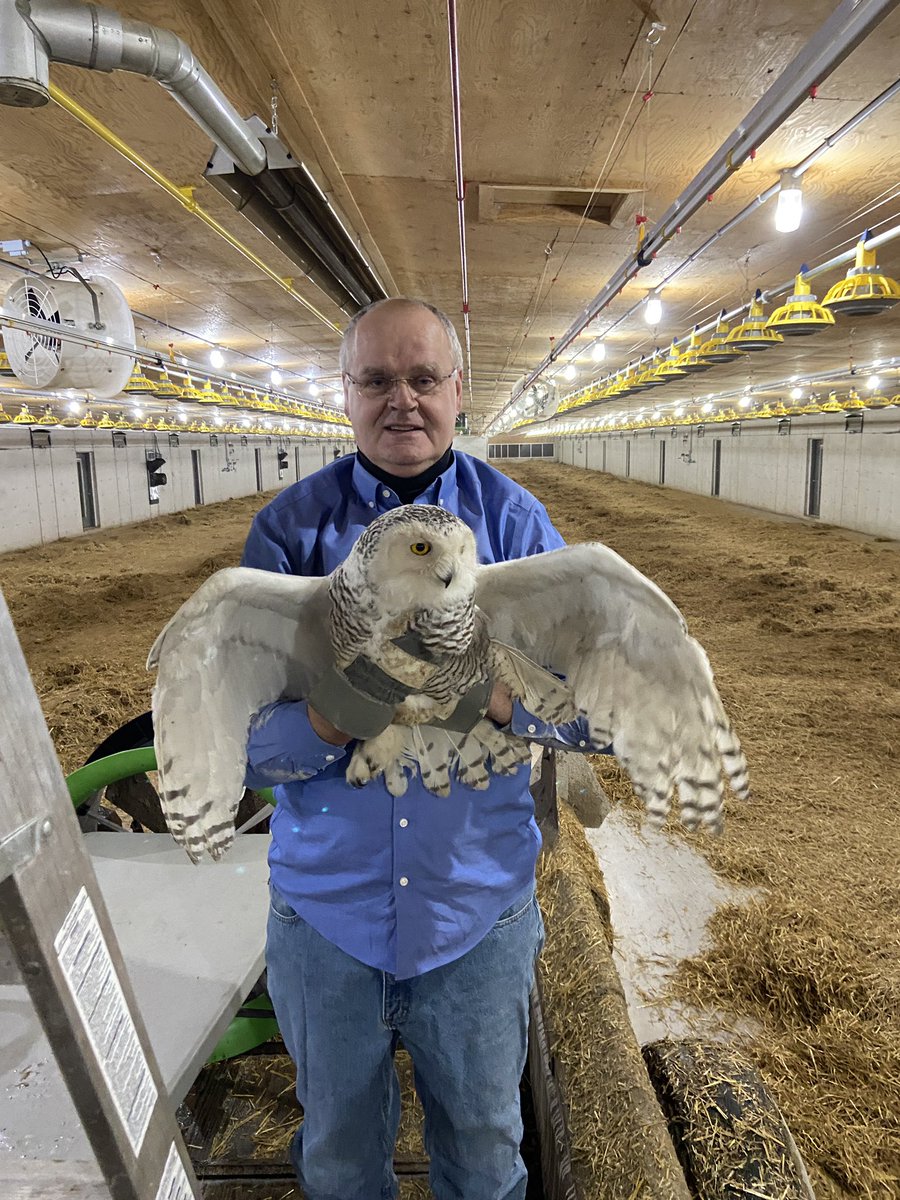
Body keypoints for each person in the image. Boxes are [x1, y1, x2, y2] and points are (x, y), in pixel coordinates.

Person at [240, 298, 601, 1200]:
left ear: (458, 391)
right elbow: (244, 752)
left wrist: (511, 701)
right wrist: (327, 720)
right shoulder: (290, 537)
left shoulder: (517, 528)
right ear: (346, 393)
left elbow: (597, 714)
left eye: (423, 377)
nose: (401, 399)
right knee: (336, 1158)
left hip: (474, 918)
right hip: (329, 921)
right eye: (376, 379)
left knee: (483, 1160)